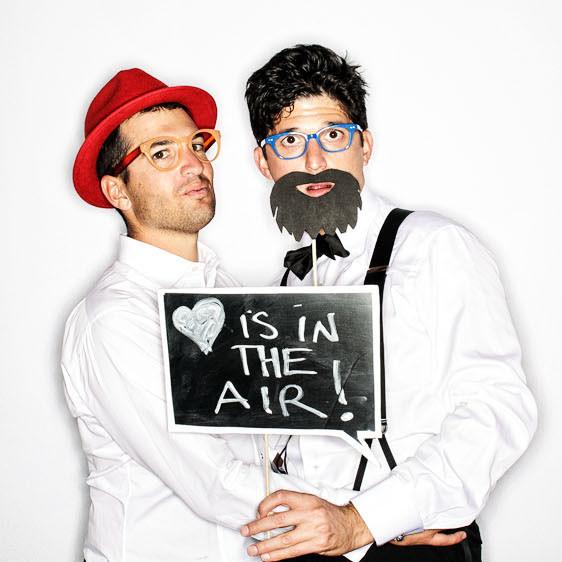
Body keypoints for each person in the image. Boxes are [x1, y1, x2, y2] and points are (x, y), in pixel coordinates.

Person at [240, 44, 537, 561]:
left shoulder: (435, 247)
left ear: (366, 145)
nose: (315, 161)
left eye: (333, 135)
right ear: (264, 162)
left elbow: (498, 409)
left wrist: (372, 520)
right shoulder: (285, 284)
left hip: (405, 550)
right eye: (289, 141)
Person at [62, 67, 359, 562]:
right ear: (118, 192)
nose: (194, 164)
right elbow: (215, 481)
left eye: (197, 144)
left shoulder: (229, 295)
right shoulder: (114, 319)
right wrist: (369, 519)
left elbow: (279, 442)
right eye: (162, 153)